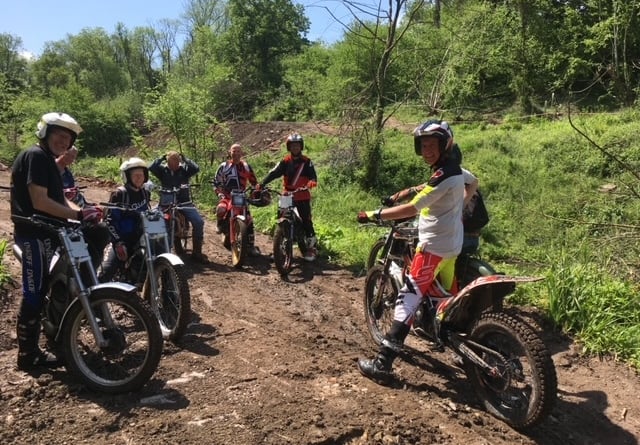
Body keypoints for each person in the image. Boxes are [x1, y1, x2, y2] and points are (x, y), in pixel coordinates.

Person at [356, 120, 464, 384]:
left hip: (433, 248)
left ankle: (383, 363)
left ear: (445, 145)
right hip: (451, 246)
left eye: (432, 145)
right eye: (423, 145)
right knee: (443, 298)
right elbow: (472, 183)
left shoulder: (444, 174)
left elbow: (413, 208)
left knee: (408, 297)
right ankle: (445, 337)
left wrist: (374, 214)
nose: (427, 150)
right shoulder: (453, 170)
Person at [10, 112, 104, 371]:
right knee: (35, 293)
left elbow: (61, 200)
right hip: (32, 234)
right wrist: (76, 214)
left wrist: (86, 213)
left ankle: (58, 322)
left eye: (68, 138)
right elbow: (40, 201)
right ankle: (28, 356)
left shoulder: (49, 162)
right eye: (59, 136)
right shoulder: (35, 156)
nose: (64, 142)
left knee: (95, 239)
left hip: (50, 231)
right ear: (45, 132)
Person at [258, 133, 318, 261]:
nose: (295, 148)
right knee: (281, 217)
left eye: (297, 145)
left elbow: (313, 176)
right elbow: (273, 173)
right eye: (292, 145)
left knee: (306, 220)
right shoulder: (285, 162)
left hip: (302, 195)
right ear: (289, 147)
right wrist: (262, 183)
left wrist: (311, 182)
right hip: (286, 194)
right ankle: (280, 242)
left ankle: (312, 247)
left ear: (301, 147)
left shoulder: (307, 162)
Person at [98, 157, 151, 283]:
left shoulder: (145, 193)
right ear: (127, 177)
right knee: (106, 272)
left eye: (141, 175)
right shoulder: (120, 194)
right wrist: (118, 243)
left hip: (140, 238)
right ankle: (95, 297)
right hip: (121, 239)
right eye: (135, 175)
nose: (139, 178)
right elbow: (109, 221)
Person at [149, 151, 207, 263]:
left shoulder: (184, 170)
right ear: (168, 162)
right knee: (152, 218)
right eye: (171, 162)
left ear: (179, 161)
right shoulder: (163, 170)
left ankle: (197, 252)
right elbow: (151, 167)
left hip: (184, 202)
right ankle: (154, 251)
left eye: (176, 161)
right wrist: (161, 158)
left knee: (198, 222)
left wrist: (185, 159)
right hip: (166, 202)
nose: (173, 165)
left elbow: (196, 168)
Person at [213, 143, 261, 256]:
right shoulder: (224, 166)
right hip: (227, 196)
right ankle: (220, 225)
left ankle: (251, 245)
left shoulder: (246, 166)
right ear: (230, 152)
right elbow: (216, 181)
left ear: (241, 153)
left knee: (249, 219)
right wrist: (219, 193)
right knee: (220, 209)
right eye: (234, 151)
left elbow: (254, 182)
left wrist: (256, 192)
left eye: (238, 151)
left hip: (241, 196)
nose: (236, 153)